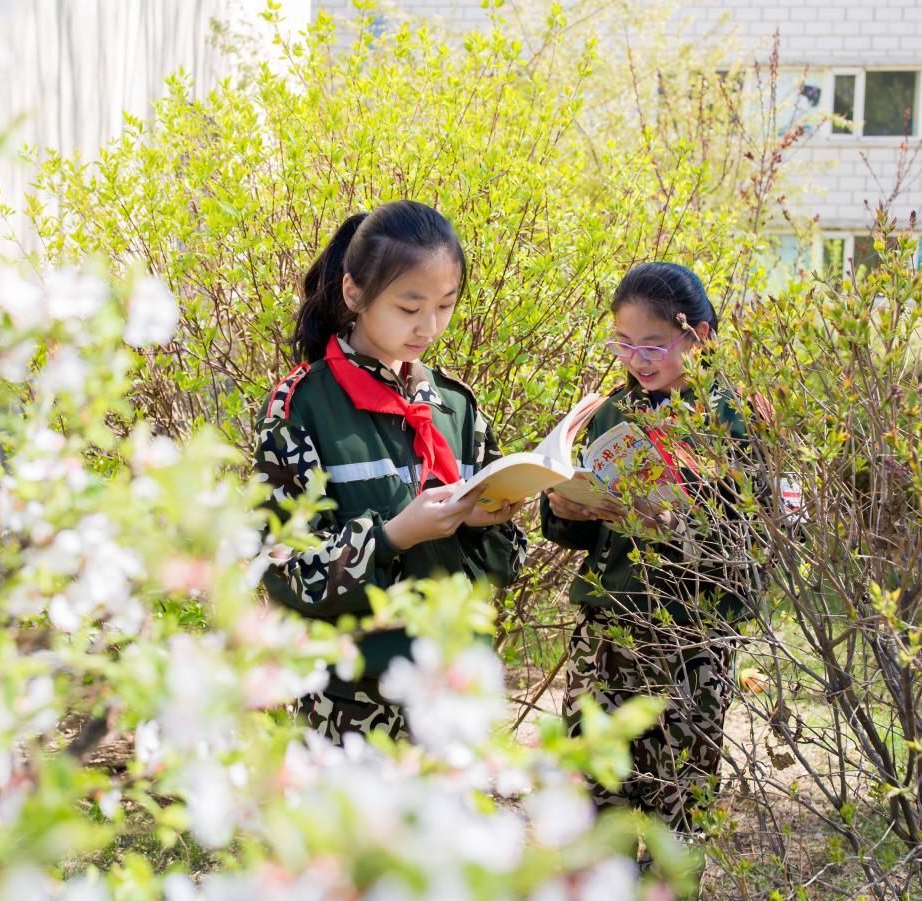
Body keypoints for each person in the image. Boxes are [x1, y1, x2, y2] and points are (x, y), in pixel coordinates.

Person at [254, 200, 526, 744]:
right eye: (409, 308)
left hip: (450, 696)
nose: (429, 326)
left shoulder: (454, 406)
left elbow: (506, 562)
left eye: (446, 306)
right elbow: (284, 569)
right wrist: (394, 535)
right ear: (354, 293)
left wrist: (492, 522)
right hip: (350, 706)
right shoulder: (303, 408)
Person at [541, 261, 770, 835]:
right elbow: (588, 535)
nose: (637, 360)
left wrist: (680, 521)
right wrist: (563, 507)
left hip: (689, 636)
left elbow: (761, 539)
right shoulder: (612, 412)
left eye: (653, 344)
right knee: (597, 800)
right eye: (623, 344)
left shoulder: (737, 420)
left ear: (699, 337)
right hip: (609, 633)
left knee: (679, 808)